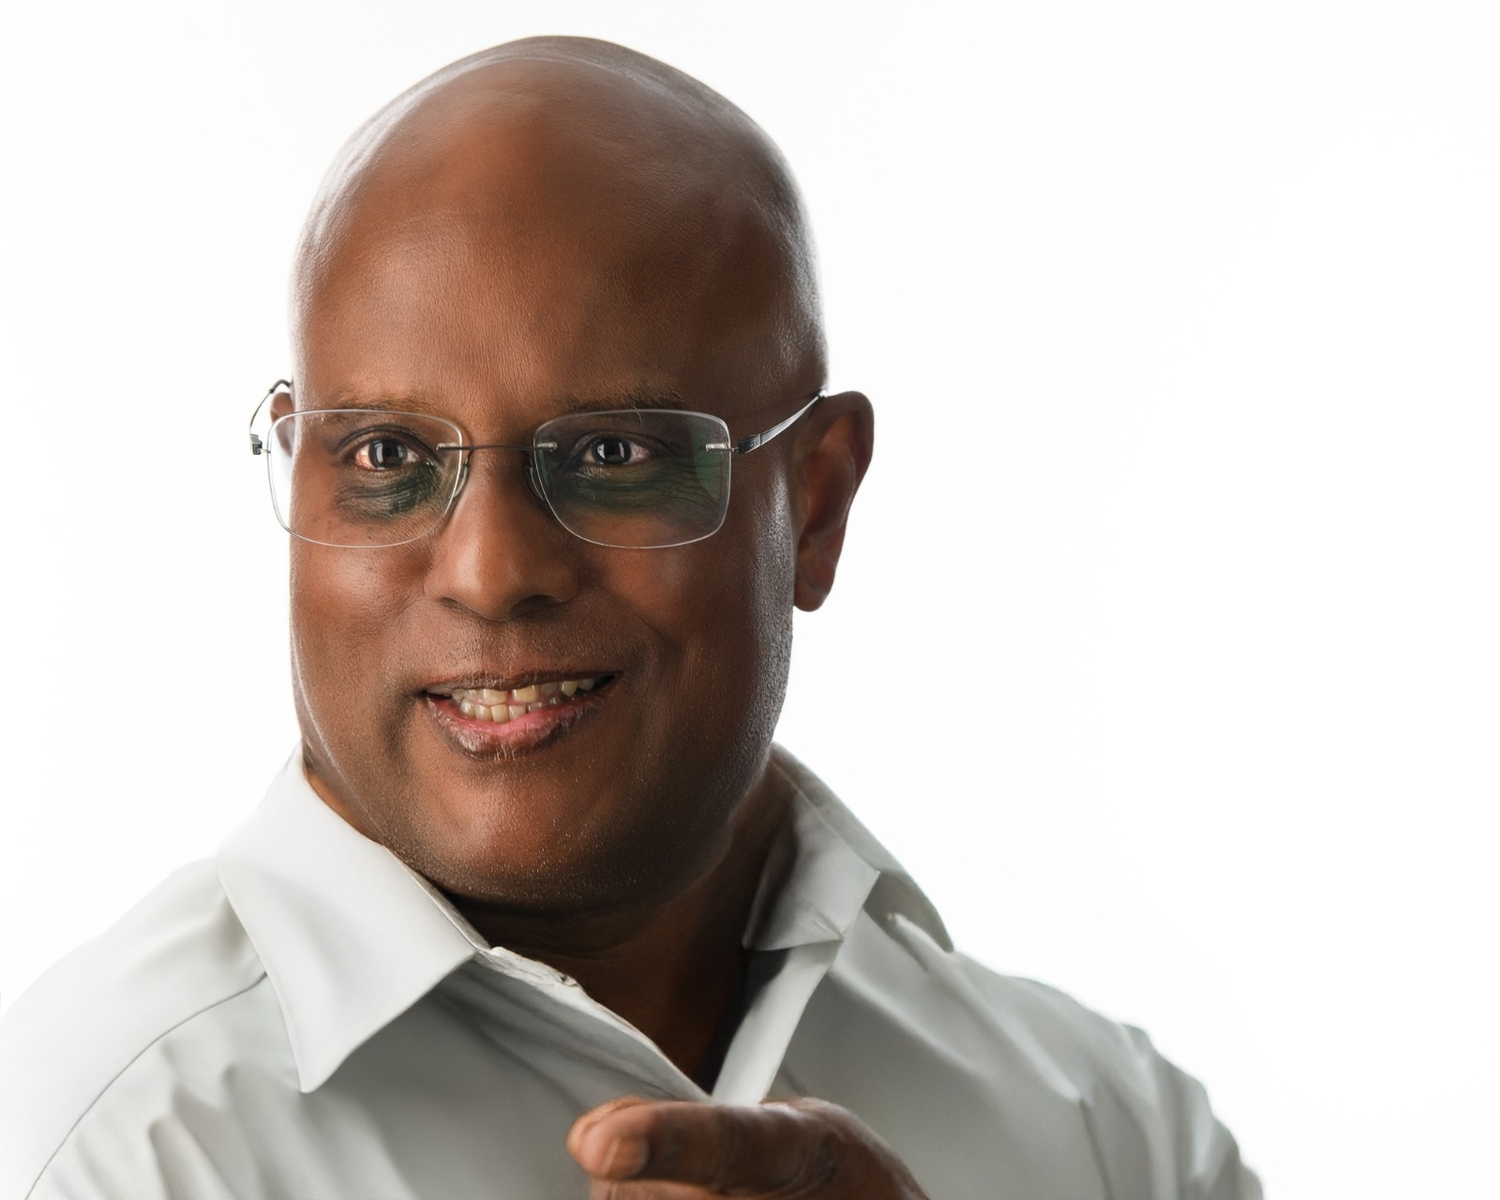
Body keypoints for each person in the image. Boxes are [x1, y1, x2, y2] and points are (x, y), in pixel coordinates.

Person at [0, 36, 1259, 1200]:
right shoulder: (92, 1148)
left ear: (816, 505)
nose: (491, 572)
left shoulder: (1115, 1137)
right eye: (387, 454)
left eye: (612, 452)